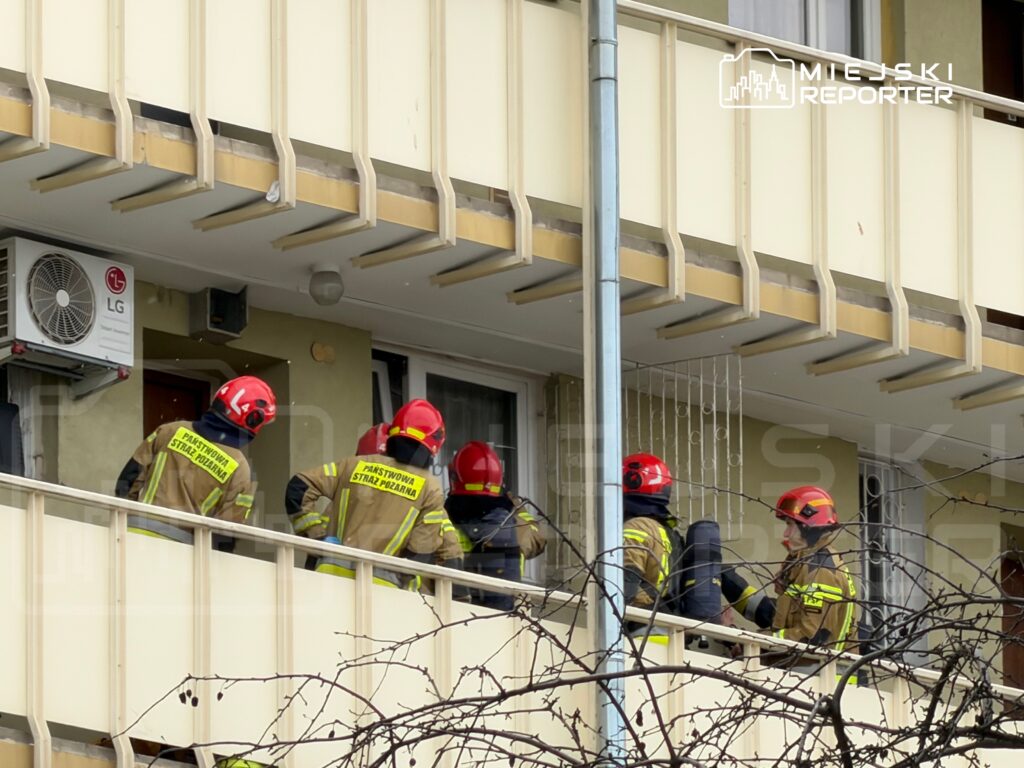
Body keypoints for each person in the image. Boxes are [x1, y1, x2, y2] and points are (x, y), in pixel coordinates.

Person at [284, 399, 463, 587]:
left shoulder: (353, 465)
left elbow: (298, 488)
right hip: (383, 592)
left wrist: (317, 538)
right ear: (433, 446)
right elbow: (420, 553)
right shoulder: (430, 488)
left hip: (329, 581)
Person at [115, 375, 276, 544]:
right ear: (253, 419)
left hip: (134, 535)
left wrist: (128, 522)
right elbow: (226, 533)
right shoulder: (241, 468)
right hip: (184, 549)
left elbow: (127, 481)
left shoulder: (169, 431)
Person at [720, 485, 858, 658]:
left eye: (790, 525)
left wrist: (753, 642)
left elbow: (811, 639)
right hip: (802, 669)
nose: (786, 533)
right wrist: (741, 640)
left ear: (808, 526)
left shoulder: (821, 570)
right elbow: (781, 621)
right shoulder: (807, 564)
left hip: (815, 672)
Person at [444, 440, 546, 610]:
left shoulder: (444, 519)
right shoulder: (514, 524)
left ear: (454, 478)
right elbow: (537, 538)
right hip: (506, 615)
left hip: (456, 614)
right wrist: (512, 503)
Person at [621, 452, 676, 640]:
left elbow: (623, 590)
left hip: (642, 637)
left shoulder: (636, 527)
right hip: (669, 637)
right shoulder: (670, 534)